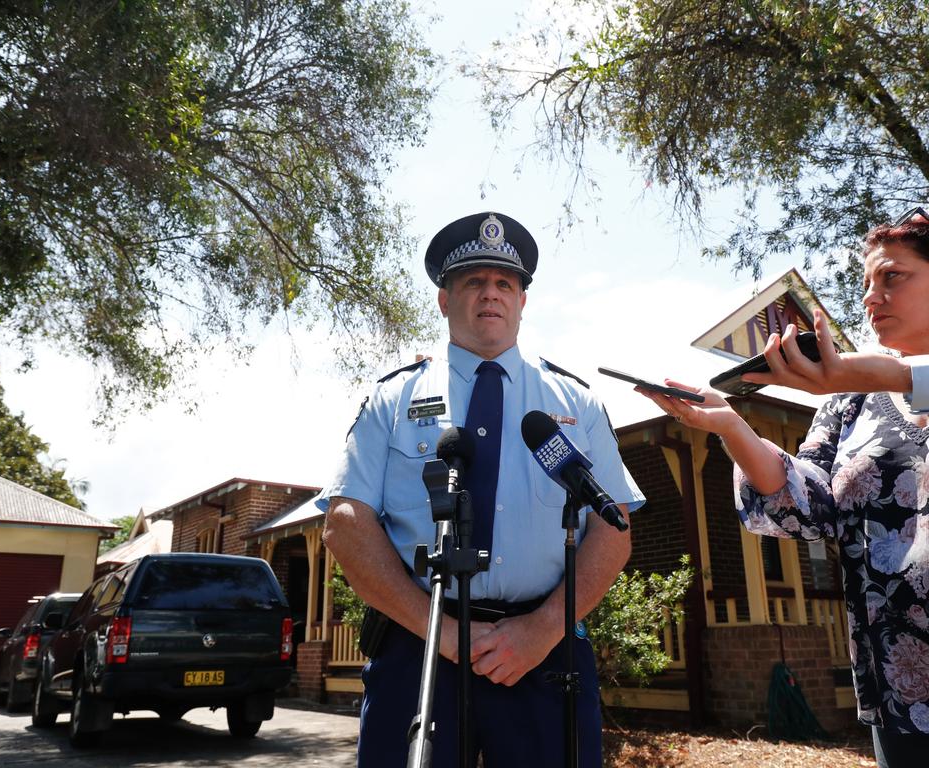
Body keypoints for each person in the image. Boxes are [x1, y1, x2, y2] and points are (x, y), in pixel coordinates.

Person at [318, 211, 644, 768]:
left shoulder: (575, 403)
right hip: (417, 648)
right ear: (445, 299)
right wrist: (439, 632)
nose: (490, 295)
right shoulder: (393, 399)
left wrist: (541, 631)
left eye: (504, 284)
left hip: (545, 654)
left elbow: (612, 531)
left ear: (522, 301)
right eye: (473, 281)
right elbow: (345, 524)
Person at [637, 207, 929, 768]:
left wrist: (887, 373)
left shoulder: (862, 378)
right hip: (900, 684)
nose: (871, 297)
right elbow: (809, 503)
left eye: (892, 277)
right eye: (865, 283)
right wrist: (730, 426)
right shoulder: (849, 401)